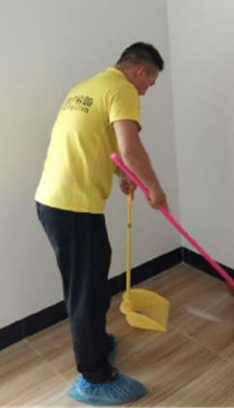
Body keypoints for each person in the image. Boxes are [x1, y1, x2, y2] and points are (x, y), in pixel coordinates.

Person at [35, 42, 167, 405]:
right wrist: (154, 188)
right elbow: (130, 148)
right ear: (140, 71)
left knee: (85, 283)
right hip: (73, 207)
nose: (145, 92)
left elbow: (92, 142)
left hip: (52, 201)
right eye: (149, 84)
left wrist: (121, 174)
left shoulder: (87, 87)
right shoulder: (123, 90)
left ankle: (94, 342)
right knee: (88, 290)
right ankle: (94, 377)